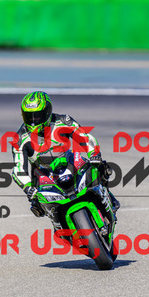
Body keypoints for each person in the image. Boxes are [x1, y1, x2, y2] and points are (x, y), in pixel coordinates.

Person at [12, 91, 120, 219]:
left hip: (70, 162)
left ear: (47, 112)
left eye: (38, 116)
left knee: (100, 167)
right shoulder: (20, 138)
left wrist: (93, 154)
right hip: (43, 176)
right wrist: (28, 187)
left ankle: (108, 196)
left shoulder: (63, 121)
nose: (33, 121)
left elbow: (84, 137)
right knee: (36, 206)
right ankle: (58, 223)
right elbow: (18, 168)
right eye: (29, 117)